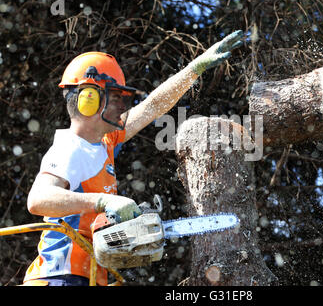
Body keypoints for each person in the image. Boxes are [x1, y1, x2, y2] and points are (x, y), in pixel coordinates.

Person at [22, 30, 244, 286]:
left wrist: (194, 69)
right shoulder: (70, 148)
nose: (121, 106)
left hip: (89, 278)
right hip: (59, 277)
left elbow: (152, 106)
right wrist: (103, 201)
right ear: (89, 100)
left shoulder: (105, 142)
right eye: (115, 98)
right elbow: (38, 199)